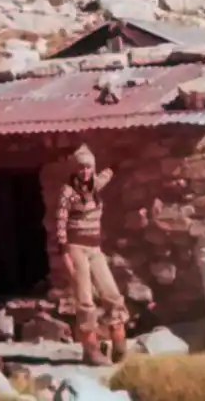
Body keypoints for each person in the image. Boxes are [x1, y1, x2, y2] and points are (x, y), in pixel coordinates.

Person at [56, 144, 129, 366]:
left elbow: (108, 173)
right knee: (85, 300)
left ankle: (119, 341)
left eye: (88, 167)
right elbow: (60, 224)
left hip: (95, 248)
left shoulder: (95, 185)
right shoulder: (67, 191)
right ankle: (91, 350)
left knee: (111, 293)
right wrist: (65, 256)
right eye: (81, 167)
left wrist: (120, 158)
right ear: (75, 169)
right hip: (76, 247)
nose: (85, 171)